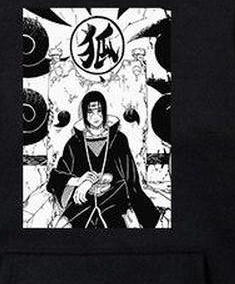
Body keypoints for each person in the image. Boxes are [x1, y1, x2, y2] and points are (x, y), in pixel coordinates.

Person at [47, 90, 161, 228]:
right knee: (62, 225)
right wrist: (79, 181)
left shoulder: (118, 139)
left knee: (128, 221)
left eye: (99, 111)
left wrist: (96, 180)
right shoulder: (74, 143)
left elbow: (128, 176)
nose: (95, 116)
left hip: (113, 196)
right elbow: (57, 176)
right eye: (90, 112)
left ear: (105, 111)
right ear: (84, 113)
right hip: (84, 198)